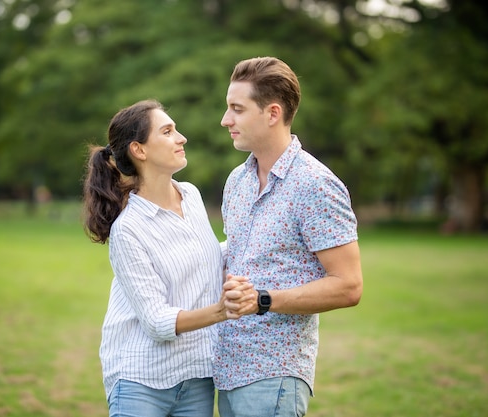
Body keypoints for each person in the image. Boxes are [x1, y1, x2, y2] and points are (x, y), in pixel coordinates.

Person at [82, 99, 253, 417]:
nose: (181, 138)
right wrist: (220, 311)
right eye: (168, 131)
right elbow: (157, 321)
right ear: (139, 150)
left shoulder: (191, 195)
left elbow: (207, 259)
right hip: (141, 381)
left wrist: (257, 238)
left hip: (198, 376)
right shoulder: (129, 229)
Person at [215, 57, 364, 417]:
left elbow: (349, 285)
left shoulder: (315, 184)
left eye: (237, 109)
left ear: (272, 113)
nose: (225, 120)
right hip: (224, 369)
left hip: (274, 375)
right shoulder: (238, 180)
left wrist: (263, 300)